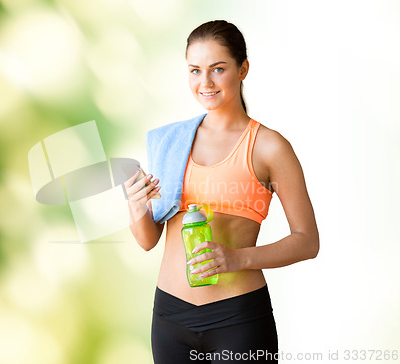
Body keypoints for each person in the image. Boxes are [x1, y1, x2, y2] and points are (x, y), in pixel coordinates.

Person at [124, 20, 319, 363]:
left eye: (217, 69)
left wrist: (236, 258)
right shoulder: (172, 142)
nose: (205, 83)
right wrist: (136, 205)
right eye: (195, 71)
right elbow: (147, 240)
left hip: (238, 319)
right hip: (170, 317)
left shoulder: (269, 147)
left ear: (243, 68)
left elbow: (307, 240)